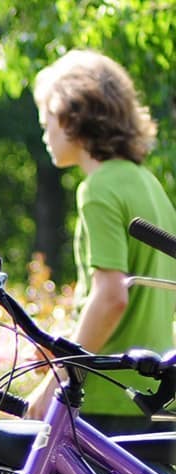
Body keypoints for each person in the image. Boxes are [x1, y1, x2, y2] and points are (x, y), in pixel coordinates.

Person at [26, 49, 176, 431]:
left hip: (104, 400)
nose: (45, 133)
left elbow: (112, 297)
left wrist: (59, 376)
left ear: (73, 115)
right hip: (152, 397)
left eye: (47, 121)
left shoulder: (98, 188)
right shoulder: (150, 186)